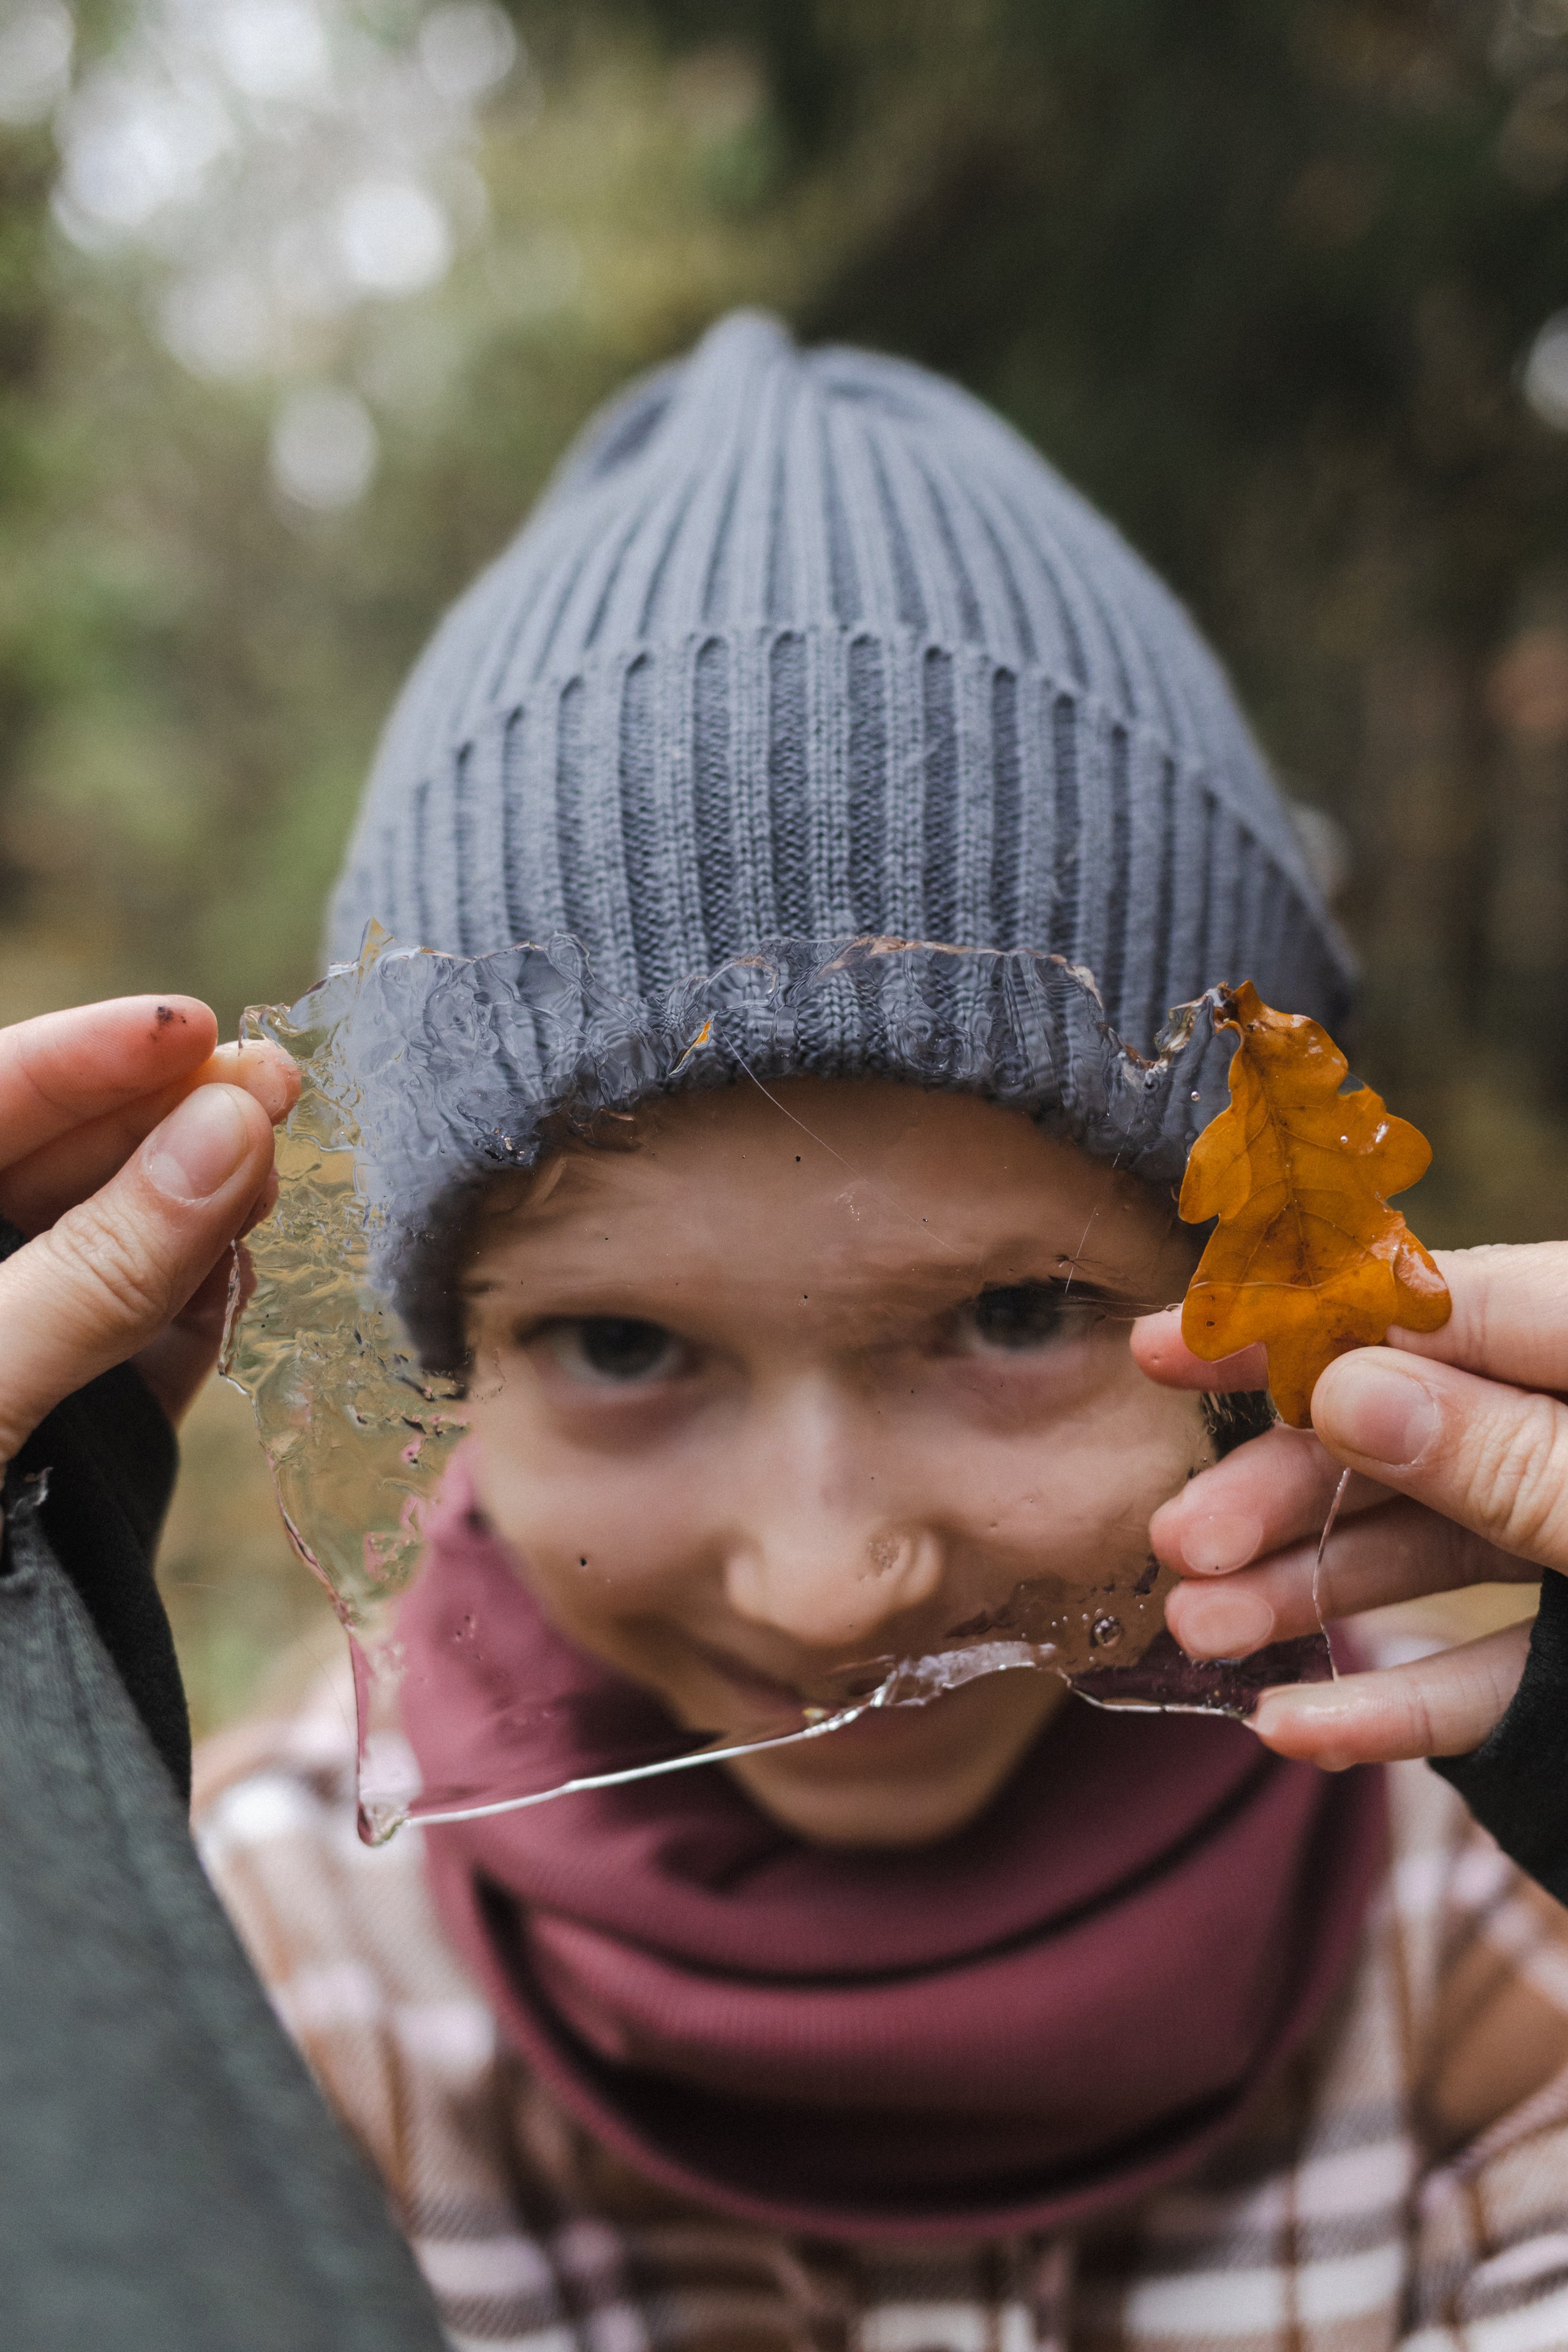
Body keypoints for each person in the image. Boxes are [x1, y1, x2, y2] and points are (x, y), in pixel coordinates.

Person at [8, 313, 1568, 2343]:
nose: (830, 1584)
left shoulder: (1485, 1929)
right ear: (454, 1351)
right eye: (626, 1349)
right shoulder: (262, 1980)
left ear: (1263, 1311)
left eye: (1014, 1313)